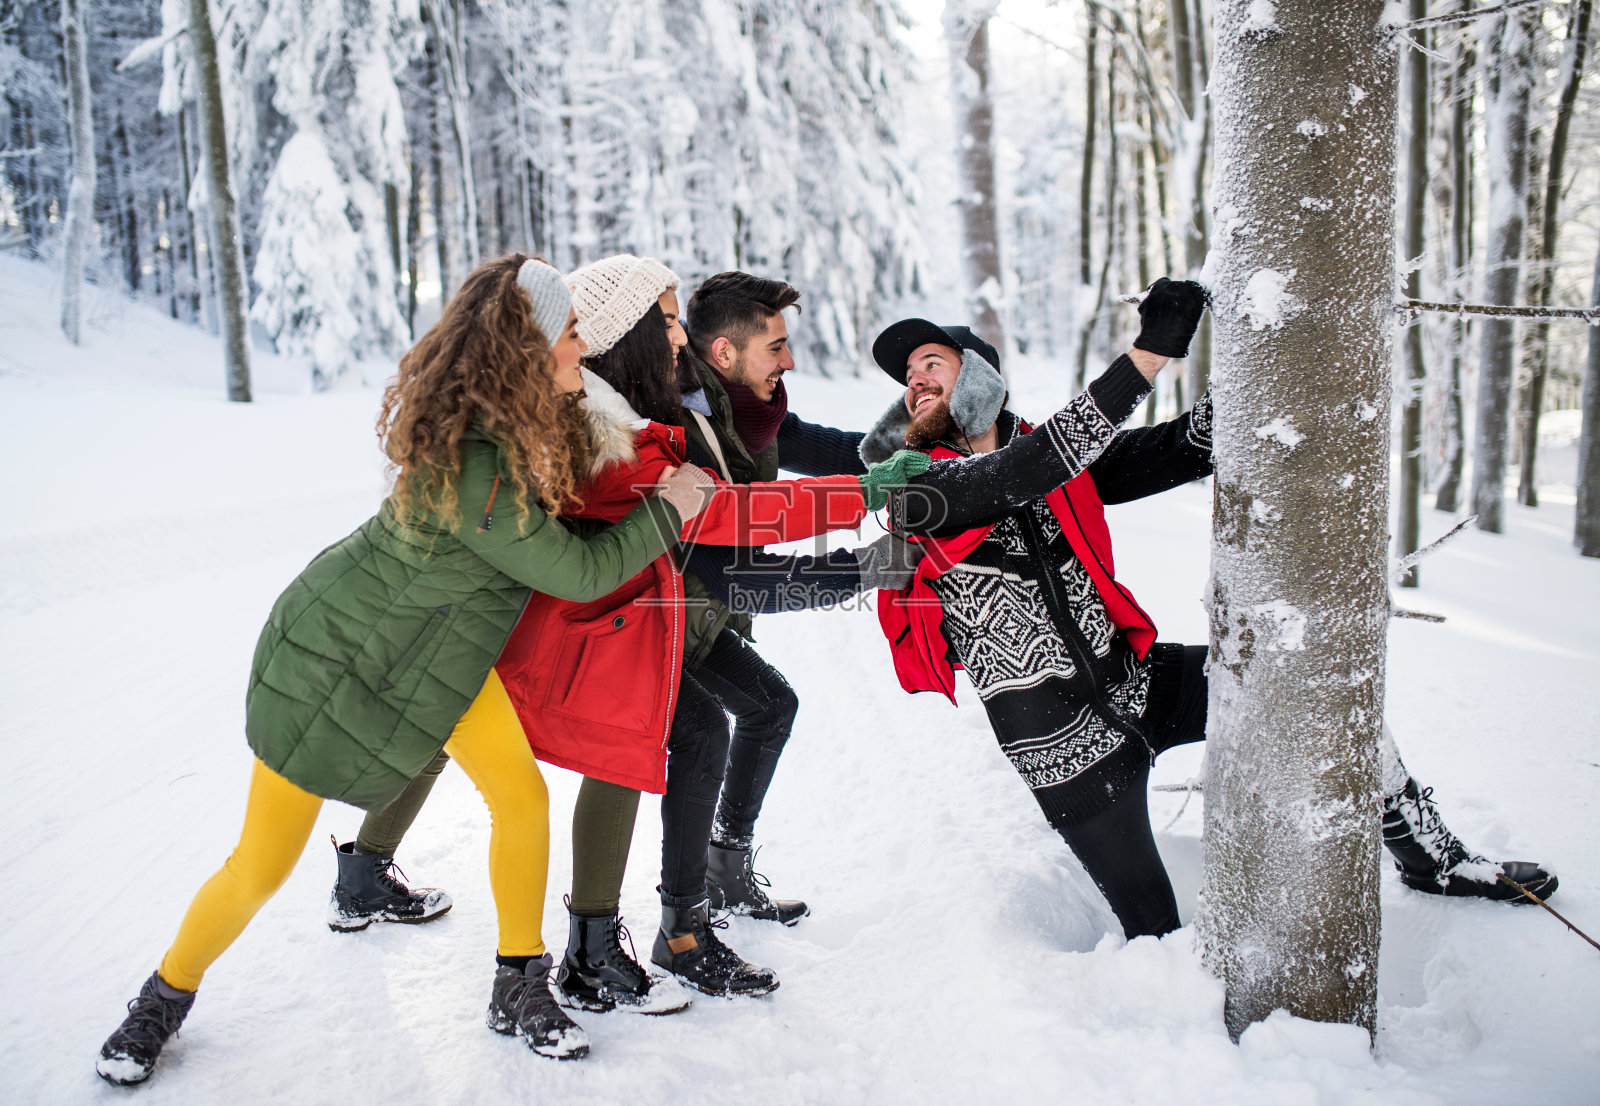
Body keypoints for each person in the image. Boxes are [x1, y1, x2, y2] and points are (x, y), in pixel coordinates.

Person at [94, 255, 718, 1085]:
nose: (581, 348)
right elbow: (576, 573)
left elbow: (597, 459)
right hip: (339, 656)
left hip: (441, 661)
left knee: (520, 799)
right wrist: (669, 510)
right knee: (262, 860)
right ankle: (161, 1001)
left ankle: (519, 983)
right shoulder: (480, 464)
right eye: (570, 333)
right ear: (529, 346)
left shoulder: (519, 423)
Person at [864, 278, 1558, 940]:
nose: (915, 381)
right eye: (909, 377)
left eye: (931, 363)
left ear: (980, 374)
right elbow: (1030, 467)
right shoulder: (915, 482)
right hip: (1062, 749)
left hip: (1138, 681)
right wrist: (1149, 353)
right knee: (1154, 934)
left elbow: (1172, 448)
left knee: (1320, 701)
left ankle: (1432, 858)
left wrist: (1263, 374)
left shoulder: (1048, 455)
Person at [332, 255, 926, 1004]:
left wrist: (900, 438)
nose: (680, 337)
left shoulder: (650, 407)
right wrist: (863, 513)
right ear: (638, 334)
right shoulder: (608, 438)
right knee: (575, 735)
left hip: (617, 624)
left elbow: (774, 468)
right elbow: (728, 519)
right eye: (670, 322)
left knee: (491, 722)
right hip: (580, 628)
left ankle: (567, 927)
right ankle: (602, 944)